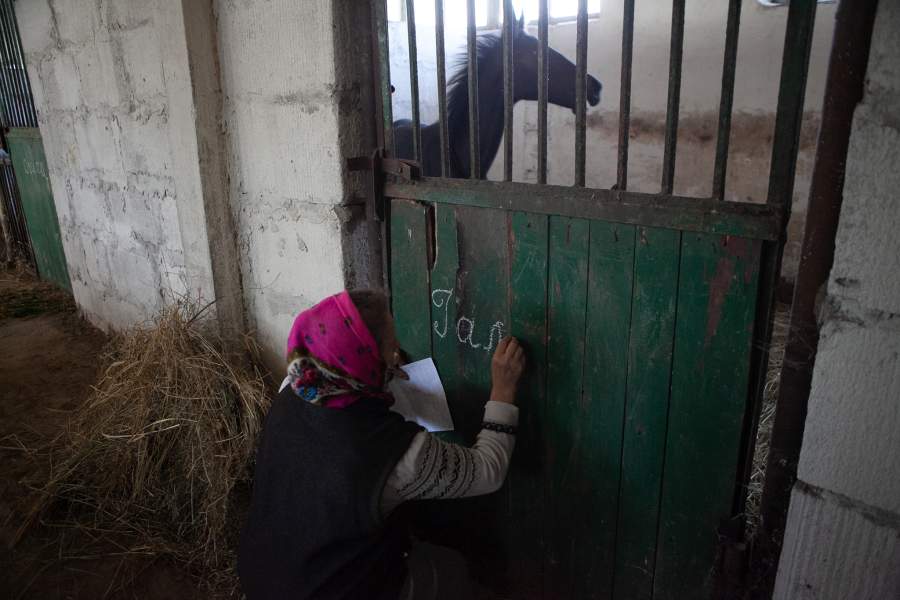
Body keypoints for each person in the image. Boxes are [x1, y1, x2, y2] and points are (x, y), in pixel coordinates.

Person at [238, 289, 525, 599]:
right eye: (390, 346)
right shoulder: (398, 454)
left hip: (262, 578)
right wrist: (503, 390)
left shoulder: (294, 388)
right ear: (365, 364)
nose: (397, 349)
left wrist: (382, 370)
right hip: (329, 591)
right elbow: (488, 470)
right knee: (452, 570)